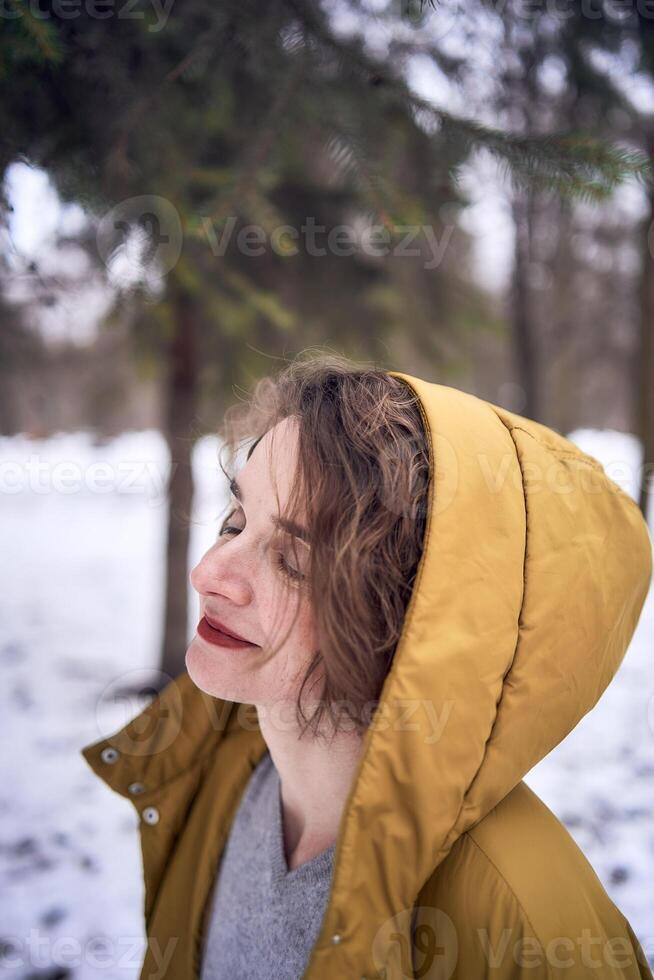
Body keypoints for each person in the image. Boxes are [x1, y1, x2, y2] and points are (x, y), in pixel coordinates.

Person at [81, 353, 654, 980]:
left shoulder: (530, 931)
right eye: (234, 521)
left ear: (412, 625)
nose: (209, 574)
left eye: (292, 563)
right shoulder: (214, 773)